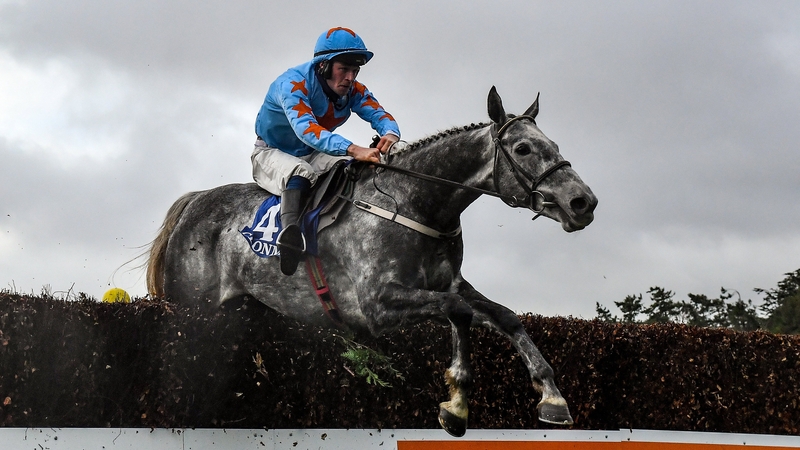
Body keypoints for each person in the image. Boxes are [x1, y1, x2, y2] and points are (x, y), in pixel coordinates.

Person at [252, 27, 401, 276]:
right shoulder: (292, 84)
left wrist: (390, 135)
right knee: (301, 171)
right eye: (344, 69)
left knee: (351, 166)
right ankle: (289, 238)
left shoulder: (353, 90)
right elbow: (306, 129)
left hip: (313, 152)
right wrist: (354, 148)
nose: (350, 77)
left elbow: (379, 114)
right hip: (271, 153)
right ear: (323, 66)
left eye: (355, 71)